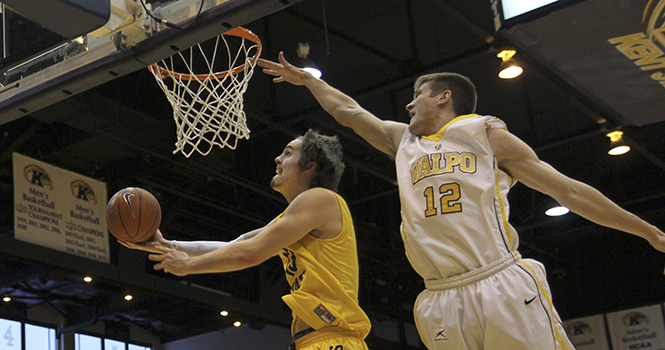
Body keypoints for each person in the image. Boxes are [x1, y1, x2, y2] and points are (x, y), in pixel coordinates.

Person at [257, 52, 665, 350]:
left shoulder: (486, 135)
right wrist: (310, 82)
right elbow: (347, 111)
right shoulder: (404, 142)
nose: (409, 103)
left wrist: (648, 231)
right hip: (439, 295)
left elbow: (569, 192)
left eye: (417, 95)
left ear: (443, 97)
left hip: (498, 280)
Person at [120, 130, 371, 350]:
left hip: (333, 340)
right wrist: (168, 246)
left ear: (309, 167)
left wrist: (188, 266)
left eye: (288, 153)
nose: (277, 159)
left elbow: (250, 254)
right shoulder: (296, 216)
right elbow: (237, 245)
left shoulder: (320, 199)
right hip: (313, 340)